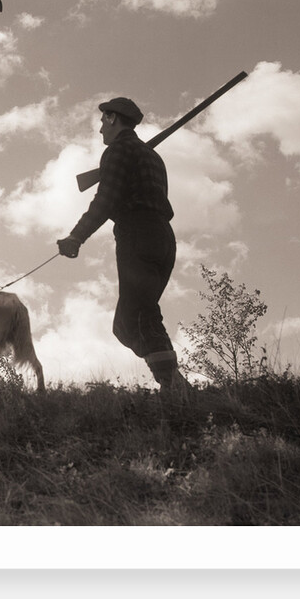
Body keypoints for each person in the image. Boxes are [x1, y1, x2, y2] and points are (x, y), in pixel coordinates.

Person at [57, 97, 194, 406]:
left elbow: (105, 200)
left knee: (140, 317)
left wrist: (76, 237)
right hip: (162, 238)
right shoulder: (150, 156)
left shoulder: (118, 152)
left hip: (137, 235)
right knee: (127, 323)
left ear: (113, 119)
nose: (100, 129)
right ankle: (174, 382)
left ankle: (174, 387)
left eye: (103, 121)